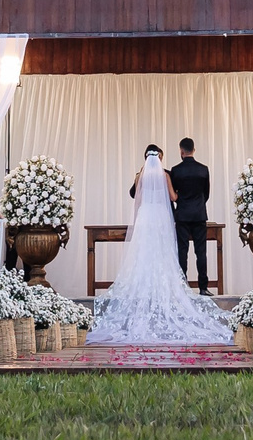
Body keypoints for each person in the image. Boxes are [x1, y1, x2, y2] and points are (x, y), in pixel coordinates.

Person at [87, 145, 234, 346]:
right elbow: (173, 197)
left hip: (145, 216)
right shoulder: (165, 175)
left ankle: (142, 289)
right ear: (160, 158)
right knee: (164, 252)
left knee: (143, 253)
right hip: (161, 216)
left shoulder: (139, 175)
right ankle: (177, 287)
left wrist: (138, 218)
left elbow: (137, 199)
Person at [168, 139, 213, 295]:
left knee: (182, 251)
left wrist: (182, 203)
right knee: (201, 252)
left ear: (181, 151)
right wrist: (198, 204)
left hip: (182, 215)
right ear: (194, 149)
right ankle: (203, 287)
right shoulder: (203, 169)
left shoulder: (176, 170)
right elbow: (206, 193)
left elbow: (173, 194)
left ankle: (183, 286)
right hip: (199, 214)